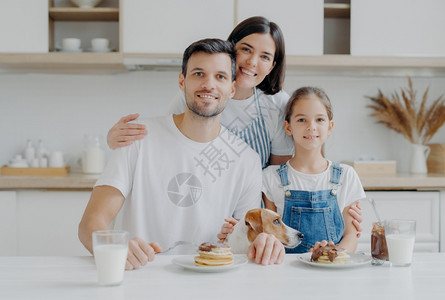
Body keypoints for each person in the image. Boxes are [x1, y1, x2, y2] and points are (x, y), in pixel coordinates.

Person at [106, 16, 364, 234]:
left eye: (265, 56)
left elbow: (276, 177)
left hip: (250, 210)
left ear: (273, 65)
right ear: (231, 49)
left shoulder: (277, 106)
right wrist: (116, 141)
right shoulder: (201, 95)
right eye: (246, 49)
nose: (252, 62)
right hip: (199, 204)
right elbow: (169, 144)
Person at [79, 38, 289, 270]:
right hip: (139, 278)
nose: (208, 85)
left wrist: (265, 243)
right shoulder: (136, 137)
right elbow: (91, 222)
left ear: (232, 88)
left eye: (220, 76)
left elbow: (245, 238)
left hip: (210, 280)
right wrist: (114, 248)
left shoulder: (247, 160)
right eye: (198, 74)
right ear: (182, 81)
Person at [261, 87, 366, 253]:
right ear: (288, 127)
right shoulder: (270, 177)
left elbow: (351, 236)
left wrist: (328, 256)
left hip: (332, 270)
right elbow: (269, 237)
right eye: (302, 120)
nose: (311, 127)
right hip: (285, 272)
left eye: (319, 120)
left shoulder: (346, 175)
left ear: (330, 126)